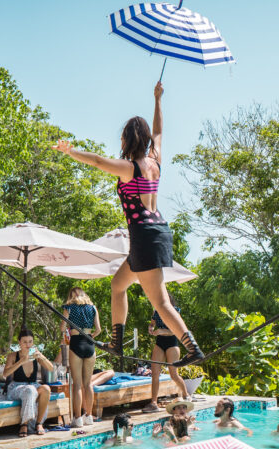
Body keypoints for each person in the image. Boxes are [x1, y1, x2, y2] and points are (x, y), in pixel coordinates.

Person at [52, 82, 204, 367]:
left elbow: (97, 161)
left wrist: (70, 152)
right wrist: (158, 99)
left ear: (127, 140)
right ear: (144, 139)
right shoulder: (155, 161)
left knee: (160, 302)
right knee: (118, 285)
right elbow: (159, 132)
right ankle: (116, 342)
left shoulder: (129, 167)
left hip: (145, 235)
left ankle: (191, 346)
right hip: (155, 231)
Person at [62, 287, 102, 427]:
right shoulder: (92, 308)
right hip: (90, 343)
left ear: (72, 296)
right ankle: (89, 416)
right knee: (88, 383)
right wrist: (91, 337)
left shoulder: (69, 308)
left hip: (76, 343)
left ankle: (78, 419)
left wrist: (67, 333)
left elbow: (62, 328)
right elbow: (98, 330)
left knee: (77, 384)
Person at [144, 293, 188, 413]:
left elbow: (176, 330)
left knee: (173, 374)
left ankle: (186, 395)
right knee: (155, 374)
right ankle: (153, 403)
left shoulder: (175, 311)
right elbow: (152, 323)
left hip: (172, 344)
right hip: (160, 343)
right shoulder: (156, 311)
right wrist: (151, 328)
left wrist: (162, 330)